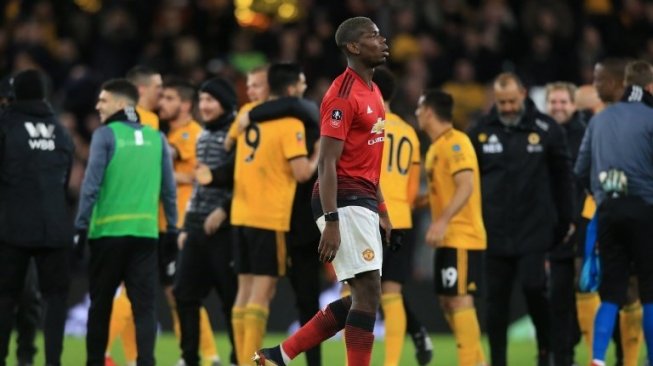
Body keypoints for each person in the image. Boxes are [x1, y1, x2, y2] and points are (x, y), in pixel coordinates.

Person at [254, 16, 390, 366]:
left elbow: (369, 161)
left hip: (362, 198)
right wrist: (331, 220)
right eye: (373, 36)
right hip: (342, 198)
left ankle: (280, 354)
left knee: (364, 294)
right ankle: (284, 354)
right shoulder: (341, 95)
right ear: (353, 47)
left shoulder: (373, 90)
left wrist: (383, 211)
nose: (382, 40)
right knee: (368, 293)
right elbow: (327, 162)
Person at [468, 72, 575, 366]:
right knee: (495, 304)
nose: (507, 107)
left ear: (524, 94)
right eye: (501, 102)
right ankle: (499, 360)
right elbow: (469, 181)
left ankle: (545, 350)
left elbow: (563, 178)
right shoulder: (480, 130)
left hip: (534, 230)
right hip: (494, 231)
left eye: (512, 101)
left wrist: (566, 220)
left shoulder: (546, 128)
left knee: (534, 289)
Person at [75, 78, 177, 366]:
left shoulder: (105, 135)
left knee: (101, 306)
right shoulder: (157, 138)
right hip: (145, 235)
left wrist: (80, 227)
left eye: (103, 100)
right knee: (145, 308)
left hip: (108, 232)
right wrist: (172, 229)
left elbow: (90, 185)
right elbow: (168, 191)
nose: (97, 105)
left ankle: (95, 362)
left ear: (121, 104)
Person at [228, 62, 319, 366]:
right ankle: (252, 362)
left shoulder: (245, 117)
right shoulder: (290, 124)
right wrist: (320, 150)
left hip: (239, 213)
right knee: (261, 293)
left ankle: (242, 360)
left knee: (243, 292)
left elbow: (229, 143)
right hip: (269, 217)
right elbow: (303, 172)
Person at [576, 60, 653, 366]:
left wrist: (601, 195)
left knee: (611, 291)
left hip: (608, 211)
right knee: (649, 291)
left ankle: (597, 359)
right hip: (645, 210)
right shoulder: (650, 118)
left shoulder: (600, 120)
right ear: (648, 87)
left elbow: (579, 170)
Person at [0, 69, 74, 366]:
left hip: (12, 228)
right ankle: (52, 362)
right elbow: (66, 178)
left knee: (5, 299)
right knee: (54, 300)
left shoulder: (6, 125)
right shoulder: (61, 129)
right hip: (54, 227)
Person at [416, 90, 486, 366]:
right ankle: (478, 361)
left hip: (462, 235)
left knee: (458, 300)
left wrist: (442, 220)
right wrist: (416, 202)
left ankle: (471, 363)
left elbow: (466, 186)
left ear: (430, 111)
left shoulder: (457, 142)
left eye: (420, 109)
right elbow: (441, 192)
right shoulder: (435, 148)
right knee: (448, 301)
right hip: (448, 237)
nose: (417, 114)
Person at [173, 77, 239, 366]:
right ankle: (189, 358)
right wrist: (187, 226)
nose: (204, 106)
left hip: (225, 229)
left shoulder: (238, 134)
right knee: (183, 293)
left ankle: (240, 358)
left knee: (231, 300)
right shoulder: (203, 136)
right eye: (201, 101)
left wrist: (225, 210)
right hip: (198, 226)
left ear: (224, 102)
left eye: (210, 100)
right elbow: (200, 186)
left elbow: (244, 181)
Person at [104, 65, 164, 366]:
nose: (161, 94)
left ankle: (131, 358)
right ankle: (104, 350)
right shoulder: (149, 122)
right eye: (157, 88)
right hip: (144, 217)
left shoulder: (112, 125)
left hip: (114, 214)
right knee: (136, 293)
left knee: (127, 290)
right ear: (140, 91)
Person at [374, 67, 432, 366]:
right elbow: (412, 188)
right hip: (401, 220)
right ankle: (392, 363)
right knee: (393, 293)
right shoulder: (409, 132)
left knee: (354, 293)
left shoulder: (365, 126)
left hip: (369, 215)